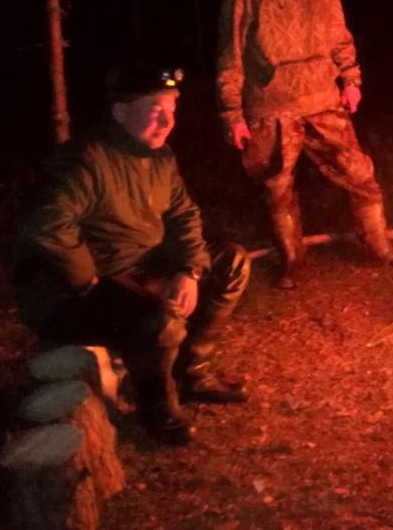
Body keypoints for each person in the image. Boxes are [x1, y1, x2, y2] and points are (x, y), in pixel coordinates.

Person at [15, 64, 250, 446]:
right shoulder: (86, 160)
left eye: (172, 109)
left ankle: (191, 372)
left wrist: (188, 270)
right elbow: (45, 224)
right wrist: (89, 278)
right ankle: (157, 408)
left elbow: (184, 216)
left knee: (232, 262)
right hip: (88, 286)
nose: (167, 120)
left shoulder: (160, 158)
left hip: (143, 265)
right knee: (157, 317)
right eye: (155, 109)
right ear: (121, 112)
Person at [216, 0, 393, 289]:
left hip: (322, 98)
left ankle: (378, 245)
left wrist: (351, 79)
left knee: (359, 172)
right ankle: (292, 259)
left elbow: (339, 35)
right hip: (271, 106)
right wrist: (232, 115)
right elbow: (230, 59)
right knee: (277, 186)